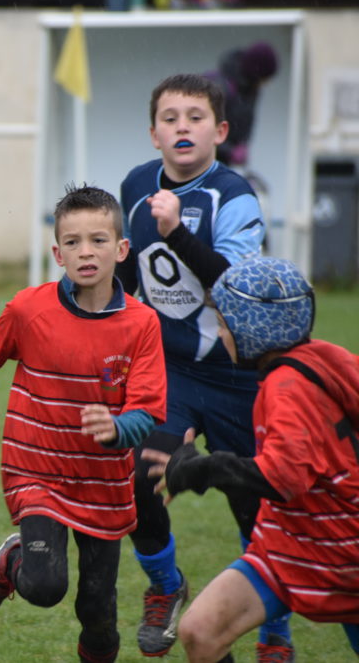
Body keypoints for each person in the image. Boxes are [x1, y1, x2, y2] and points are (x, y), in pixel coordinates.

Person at [0, 184, 166, 663]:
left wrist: (118, 428)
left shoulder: (142, 324)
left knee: (98, 616)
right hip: (37, 472)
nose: (87, 251)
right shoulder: (28, 309)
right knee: (45, 586)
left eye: (99, 240)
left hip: (104, 484)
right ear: (57, 252)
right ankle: (15, 560)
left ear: (121, 249)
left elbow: (147, 414)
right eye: (74, 242)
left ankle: (90, 637)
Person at [115, 72, 293, 659]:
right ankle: (166, 587)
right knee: (140, 477)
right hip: (173, 373)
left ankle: (275, 633)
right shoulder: (136, 186)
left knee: (255, 503)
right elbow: (128, 275)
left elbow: (238, 290)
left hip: (239, 375)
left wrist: (177, 232)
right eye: (171, 118)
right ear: (153, 133)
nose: (182, 127)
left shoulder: (234, 195)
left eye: (195, 117)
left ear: (219, 131)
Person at [143, 256, 359, 662]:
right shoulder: (325, 356)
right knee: (199, 631)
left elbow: (284, 477)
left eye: (224, 324)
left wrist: (200, 468)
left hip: (341, 552)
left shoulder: (287, 388)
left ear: (253, 328)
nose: (221, 335)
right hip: (288, 544)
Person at [205, 41, 279, 169]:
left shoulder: (250, 90)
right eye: (264, 79)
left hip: (224, 163)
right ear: (256, 73)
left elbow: (247, 122)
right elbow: (204, 131)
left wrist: (242, 144)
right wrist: (229, 151)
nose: (265, 84)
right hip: (206, 160)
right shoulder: (219, 87)